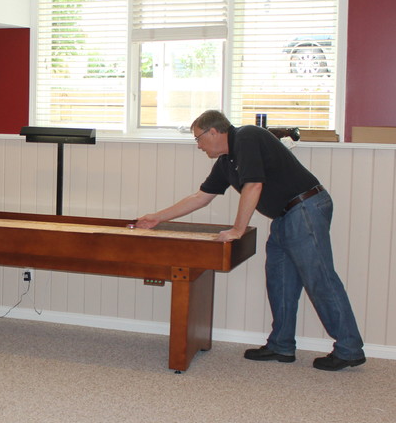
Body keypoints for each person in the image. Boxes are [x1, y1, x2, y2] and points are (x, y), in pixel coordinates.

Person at [135, 109, 365, 371]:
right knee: (280, 280)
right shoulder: (225, 162)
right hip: (285, 216)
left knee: (319, 278)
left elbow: (253, 185)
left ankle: (349, 349)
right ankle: (281, 345)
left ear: (214, 131)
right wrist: (157, 218)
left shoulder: (247, 136)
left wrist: (237, 229)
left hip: (306, 208)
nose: (198, 145)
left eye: (198, 138)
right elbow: (201, 197)